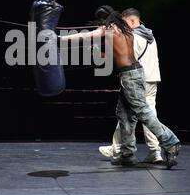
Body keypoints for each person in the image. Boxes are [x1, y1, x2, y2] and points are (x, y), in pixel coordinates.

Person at [60, 10, 180, 168]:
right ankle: (128, 154)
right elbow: (116, 55)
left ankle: (171, 143)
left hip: (130, 76)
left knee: (143, 112)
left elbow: (85, 36)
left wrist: (60, 38)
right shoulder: (126, 32)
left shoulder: (109, 29)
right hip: (133, 74)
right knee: (124, 114)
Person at [99, 8, 164, 164]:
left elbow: (125, 57)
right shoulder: (150, 35)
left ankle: (117, 148)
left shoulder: (133, 36)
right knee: (149, 115)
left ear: (133, 21)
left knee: (126, 115)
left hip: (137, 81)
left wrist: (103, 54)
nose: (122, 25)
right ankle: (155, 152)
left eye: (124, 21)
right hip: (153, 79)